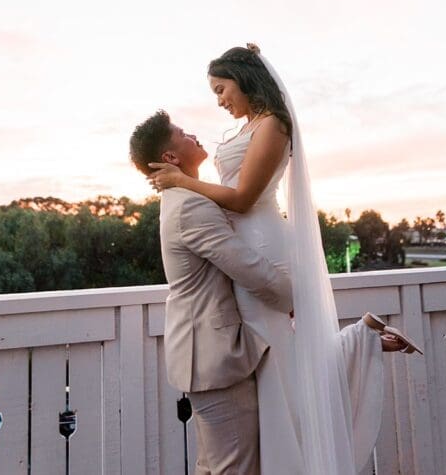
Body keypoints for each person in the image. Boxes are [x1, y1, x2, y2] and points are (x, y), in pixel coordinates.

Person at [148, 44, 420, 474]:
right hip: (243, 245)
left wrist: (182, 179)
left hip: (264, 244)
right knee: (276, 360)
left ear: (243, 78)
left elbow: (241, 198)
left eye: (222, 89)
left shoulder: (273, 125)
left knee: (279, 357)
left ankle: (296, 455)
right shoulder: (248, 127)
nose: (220, 101)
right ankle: (361, 340)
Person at [128, 111, 294, 474]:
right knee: (235, 468)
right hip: (212, 358)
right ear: (171, 158)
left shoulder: (183, 199)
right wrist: (297, 299)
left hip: (202, 357)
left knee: (213, 466)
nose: (193, 135)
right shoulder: (191, 206)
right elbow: (248, 268)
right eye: (183, 134)